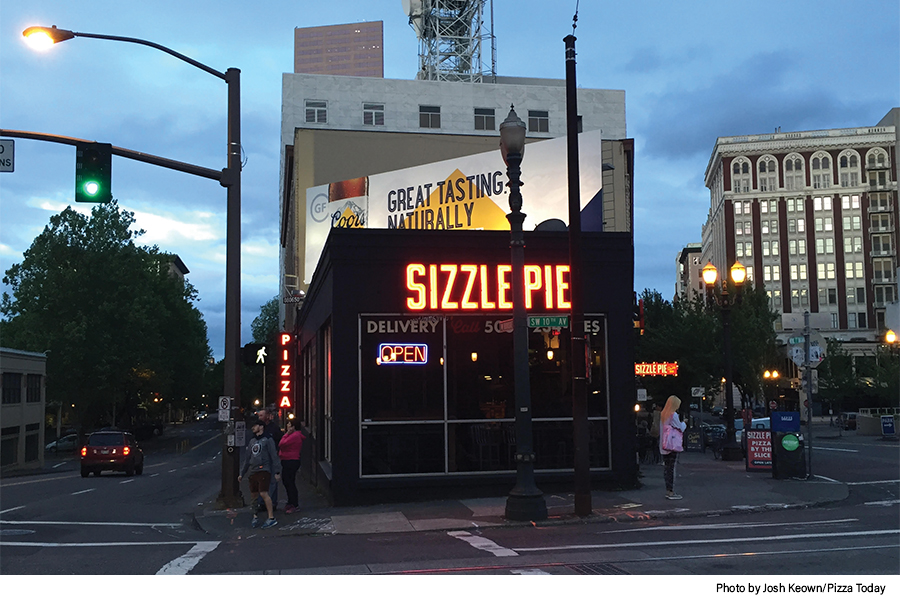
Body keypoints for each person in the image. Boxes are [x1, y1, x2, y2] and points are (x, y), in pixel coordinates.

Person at [238, 417, 282, 529]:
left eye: (255, 425)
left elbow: (274, 456)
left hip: (264, 469)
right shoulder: (252, 441)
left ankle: (271, 517)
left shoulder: (268, 440)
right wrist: (242, 473)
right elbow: (247, 458)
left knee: (263, 493)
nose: (253, 428)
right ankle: (255, 516)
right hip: (253, 471)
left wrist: (277, 471)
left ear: (261, 427)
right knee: (253, 495)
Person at [659, 395, 687, 500]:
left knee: (667, 468)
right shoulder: (673, 415)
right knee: (672, 468)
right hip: (672, 445)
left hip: (664, 444)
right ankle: (671, 491)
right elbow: (680, 428)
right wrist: (684, 423)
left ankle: (668, 489)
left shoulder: (663, 414)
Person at [278, 419, 306, 514]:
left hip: (291, 460)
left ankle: (294, 504)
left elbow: (282, 444)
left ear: (293, 427)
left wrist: (286, 434)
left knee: (289, 482)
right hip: (287, 460)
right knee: (287, 481)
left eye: (289, 425)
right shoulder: (294, 435)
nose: (287, 426)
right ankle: (291, 502)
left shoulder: (294, 436)